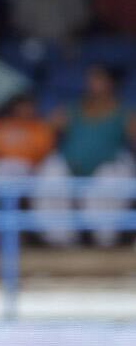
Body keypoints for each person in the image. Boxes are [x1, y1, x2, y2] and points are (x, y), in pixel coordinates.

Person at [34, 66, 136, 247]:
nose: (93, 85)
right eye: (91, 81)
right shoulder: (69, 109)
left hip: (107, 167)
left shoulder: (124, 113)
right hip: (69, 164)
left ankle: (104, 241)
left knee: (110, 180)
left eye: (99, 81)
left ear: (110, 84)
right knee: (50, 175)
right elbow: (43, 134)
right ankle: (59, 241)